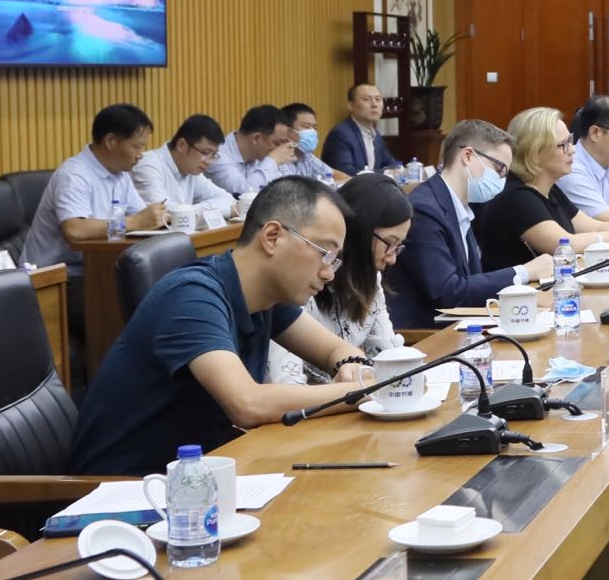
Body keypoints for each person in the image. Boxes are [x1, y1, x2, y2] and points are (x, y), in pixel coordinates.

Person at [68, 178, 378, 475]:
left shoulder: (266, 297)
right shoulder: (192, 297)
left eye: (334, 260)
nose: (329, 274)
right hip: (126, 492)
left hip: (201, 477)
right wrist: (360, 390)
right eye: (324, 253)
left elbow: (335, 349)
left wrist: (351, 364)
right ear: (272, 237)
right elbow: (247, 403)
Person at [387, 120, 550, 331]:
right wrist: (524, 271)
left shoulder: (459, 207)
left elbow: (471, 282)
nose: (501, 180)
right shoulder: (424, 209)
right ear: (468, 156)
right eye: (499, 169)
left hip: (459, 327)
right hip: (425, 335)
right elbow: (448, 292)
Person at [269, 173, 408, 384]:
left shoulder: (370, 280)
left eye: (398, 247)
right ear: (360, 230)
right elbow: (286, 382)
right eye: (390, 243)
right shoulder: (297, 282)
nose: (392, 258)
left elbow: (388, 357)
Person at [475, 106, 609, 271]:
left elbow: (595, 227)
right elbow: (567, 244)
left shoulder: (550, 189)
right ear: (534, 152)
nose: (572, 150)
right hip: (517, 287)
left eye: (570, 140)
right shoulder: (517, 197)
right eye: (563, 144)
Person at [21, 104, 166, 275]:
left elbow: (141, 215)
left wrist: (159, 219)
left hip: (98, 267)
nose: (141, 154)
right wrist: (135, 222)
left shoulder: (121, 174)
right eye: (137, 146)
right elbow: (74, 230)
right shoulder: (74, 174)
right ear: (111, 141)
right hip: (55, 276)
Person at [130, 113, 236, 223]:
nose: (209, 161)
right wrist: (207, 211)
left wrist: (188, 211)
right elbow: (162, 214)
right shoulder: (148, 165)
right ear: (181, 145)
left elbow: (229, 200)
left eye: (213, 155)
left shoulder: (191, 170)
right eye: (205, 153)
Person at [205, 104, 292, 195]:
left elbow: (290, 190)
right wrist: (272, 161)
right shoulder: (217, 156)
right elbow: (245, 194)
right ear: (256, 138)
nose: (280, 148)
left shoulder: (260, 155)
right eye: (277, 143)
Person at [323, 83, 401, 176]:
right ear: (351, 105)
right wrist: (385, 172)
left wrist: (395, 170)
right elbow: (345, 171)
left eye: (378, 99)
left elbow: (392, 164)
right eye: (367, 99)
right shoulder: (340, 134)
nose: (374, 105)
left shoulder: (375, 134)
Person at [273, 102, 346, 184]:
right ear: (287, 131)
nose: (312, 132)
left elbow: (334, 174)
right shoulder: (277, 159)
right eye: (306, 127)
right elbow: (293, 189)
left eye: (314, 128)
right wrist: (328, 185)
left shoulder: (306, 156)